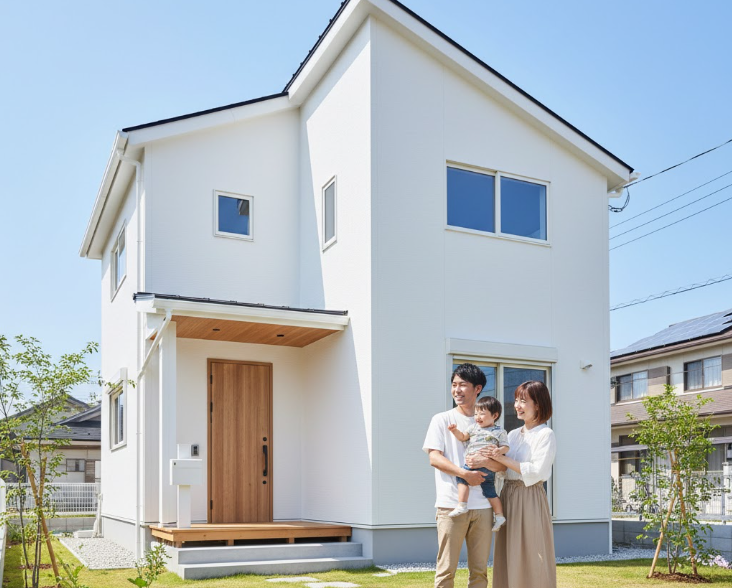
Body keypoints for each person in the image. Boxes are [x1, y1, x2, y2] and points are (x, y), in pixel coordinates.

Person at [422, 363, 505, 588]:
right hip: (451, 504)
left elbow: (502, 466)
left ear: (477, 388)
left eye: (462, 385)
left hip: (484, 506)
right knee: (446, 571)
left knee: (479, 572)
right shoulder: (442, 419)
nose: (456, 390)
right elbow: (434, 457)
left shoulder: (492, 425)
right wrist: (464, 474)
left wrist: (485, 462)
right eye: (454, 385)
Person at [477, 380, 557, 588]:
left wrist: (501, 459)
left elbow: (536, 471)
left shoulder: (545, 435)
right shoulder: (512, 435)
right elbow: (504, 469)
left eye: (523, 401)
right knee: (508, 551)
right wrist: (484, 461)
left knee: (532, 550)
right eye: (516, 401)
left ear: (538, 404)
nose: (517, 406)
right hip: (508, 495)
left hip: (530, 496)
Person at [447, 395, 509, 530]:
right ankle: (498, 516)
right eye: (476, 413)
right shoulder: (473, 428)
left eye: (482, 414)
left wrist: (499, 450)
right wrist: (454, 431)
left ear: (495, 415)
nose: (477, 417)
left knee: (462, 479)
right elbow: (463, 437)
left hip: (485, 466)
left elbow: (505, 447)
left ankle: (463, 505)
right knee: (489, 492)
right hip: (479, 466)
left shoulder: (499, 431)